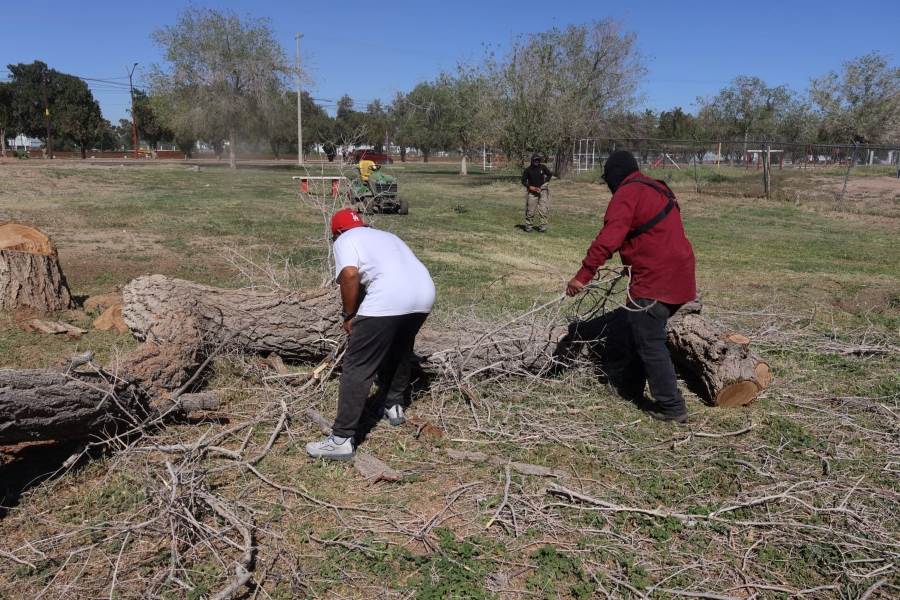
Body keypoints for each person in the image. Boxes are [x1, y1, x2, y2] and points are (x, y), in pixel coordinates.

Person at [565, 150, 696, 423]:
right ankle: (629, 386)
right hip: (680, 272)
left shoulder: (627, 193)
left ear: (615, 175)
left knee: (649, 339)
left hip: (656, 278)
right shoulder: (658, 187)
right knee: (637, 328)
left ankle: (671, 406)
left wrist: (583, 275)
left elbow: (608, 239)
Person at [306, 209, 436, 460]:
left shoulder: (345, 239)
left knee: (358, 365)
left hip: (388, 298)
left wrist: (349, 314)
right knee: (400, 351)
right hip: (424, 294)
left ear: (338, 232)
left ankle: (341, 439)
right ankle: (394, 406)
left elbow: (350, 275)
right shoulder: (387, 236)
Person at [520, 154, 554, 232]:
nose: (537, 162)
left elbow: (549, 174)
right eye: (535, 160)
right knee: (530, 211)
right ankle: (528, 227)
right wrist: (530, 187)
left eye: (538, 160)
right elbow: (523, 181)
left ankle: (542, 227)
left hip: (542, 191)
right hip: (532, 193)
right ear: (532, 161)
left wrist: (545, 183)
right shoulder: (528, 170)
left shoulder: (543, 167)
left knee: (543, 210)